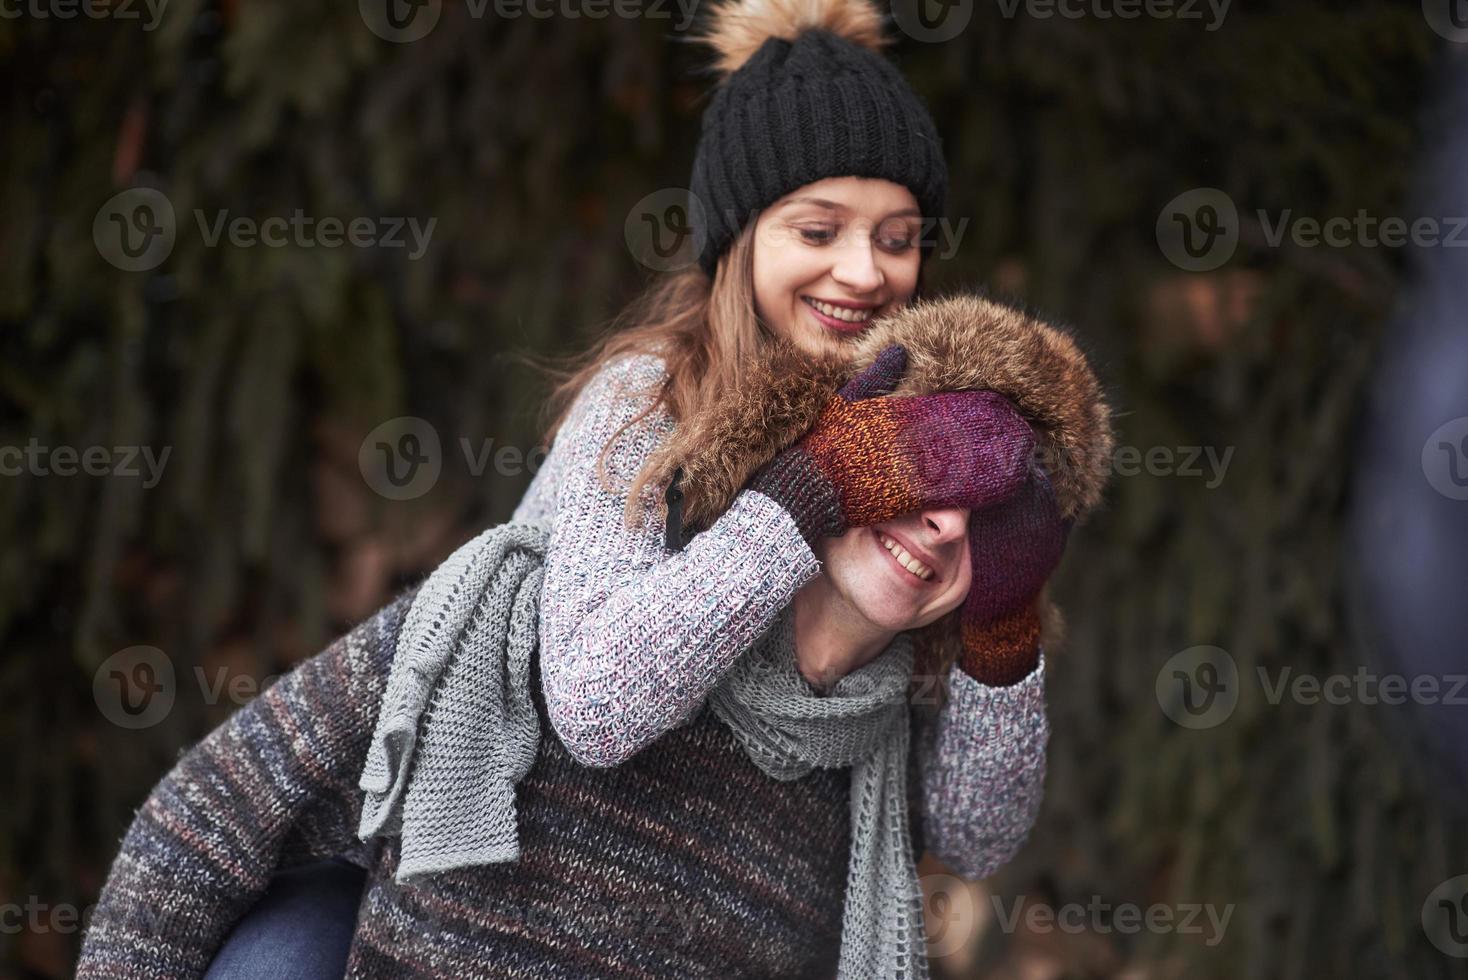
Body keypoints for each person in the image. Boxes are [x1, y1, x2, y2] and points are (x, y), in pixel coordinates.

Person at [75, 1, 1113, 977]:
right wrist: (816, 490)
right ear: (740, 234)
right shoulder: (650, 403)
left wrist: (1002, 606)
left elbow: (973, 827)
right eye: (818, 228)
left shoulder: (908, 494)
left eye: (897, 239)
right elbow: (590, 699)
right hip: (468, 821)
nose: (863, 269)